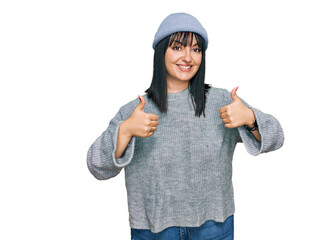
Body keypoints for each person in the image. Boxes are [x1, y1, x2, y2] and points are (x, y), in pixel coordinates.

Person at [86, 12, 284, 240]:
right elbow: (96, 166)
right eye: (178, 47)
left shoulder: (222, 103)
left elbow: (277, 137)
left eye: (196, 49)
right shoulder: (135, 111)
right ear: (161, 52)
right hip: (153, 230)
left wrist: (250, 118)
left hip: (214, 228)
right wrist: (125, 131)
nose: (188, 57)